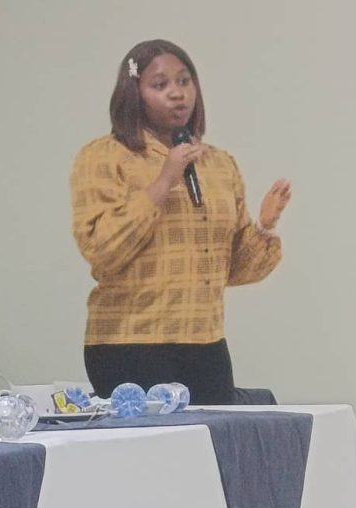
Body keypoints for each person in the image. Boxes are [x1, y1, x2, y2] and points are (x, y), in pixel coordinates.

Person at [71, 40, 291, 403]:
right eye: (160, 85)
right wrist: (163, 181)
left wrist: (264, 227)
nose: (177, 94)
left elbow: (233, 271)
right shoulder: (103, 157)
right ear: (134, 92)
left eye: (185, 81)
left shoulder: (219, 164)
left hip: (205, 343)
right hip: (128, 343)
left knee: (216, 439)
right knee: (153, 442)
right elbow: (101, 250)